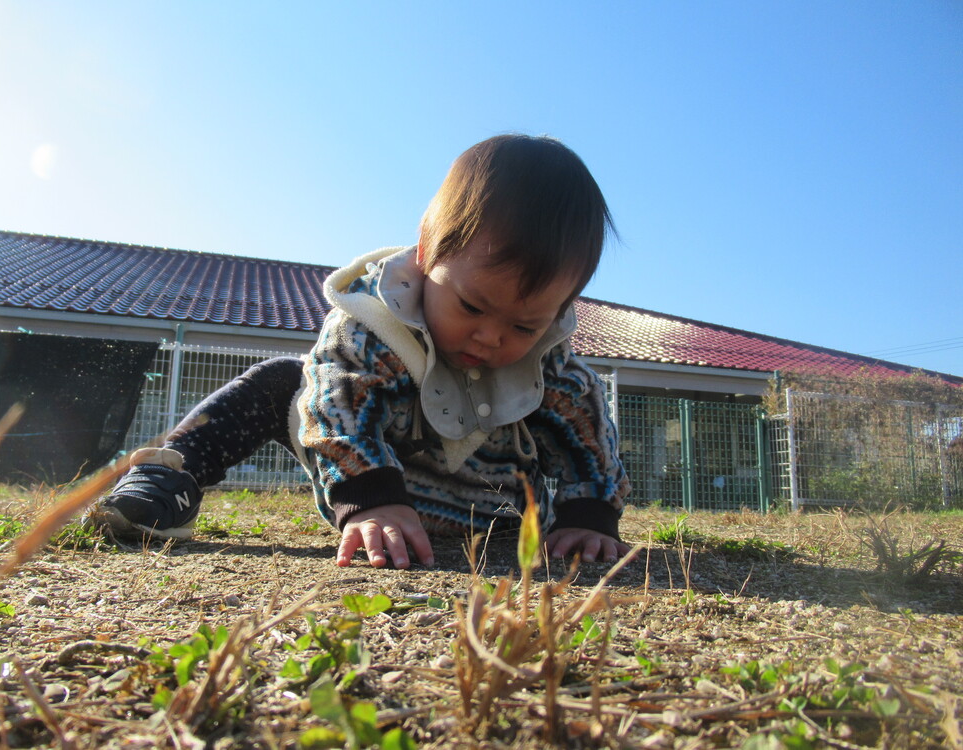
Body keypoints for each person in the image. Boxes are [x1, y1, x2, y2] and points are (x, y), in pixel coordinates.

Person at [89, 134, 632, 569]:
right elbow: (337, 408)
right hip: (378, 486)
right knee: (287, 379)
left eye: (523, 323)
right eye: (470, 306)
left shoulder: (551, 367)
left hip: (494, 514)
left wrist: (589, 514)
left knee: (569, 404)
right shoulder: (371, 327)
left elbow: (590, 439)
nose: (491, 337)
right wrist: (371, 497)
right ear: (425, 255)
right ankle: (168, 478)